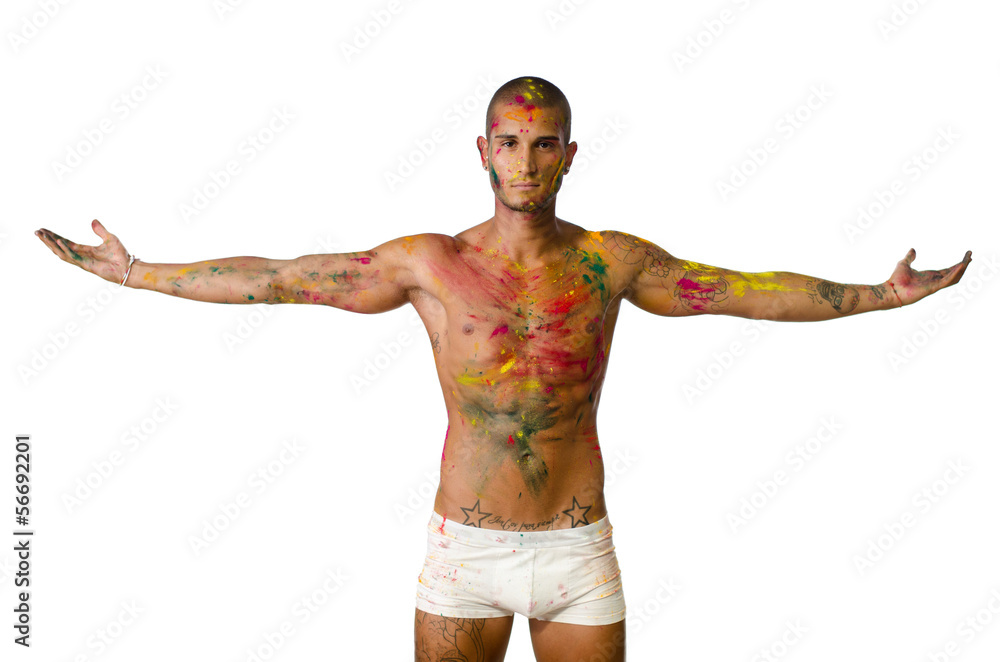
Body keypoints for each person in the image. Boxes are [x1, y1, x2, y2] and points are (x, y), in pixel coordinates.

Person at [35, 76, 972, 662]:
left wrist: (879, 296)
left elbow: (742, 291)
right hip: (466, 556)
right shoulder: (430, 263)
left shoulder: (609, 261)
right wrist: (137, 272)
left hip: (575, 550)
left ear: (569, 154)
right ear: (484, 152)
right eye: (510, 142)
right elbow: (283, 278)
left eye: (544, 142)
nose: (526, 160)